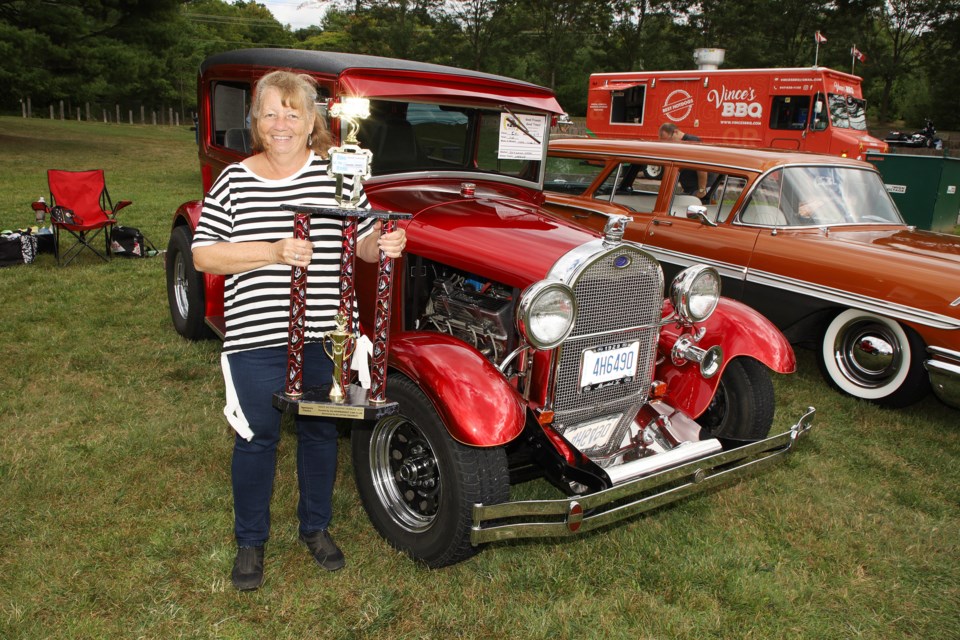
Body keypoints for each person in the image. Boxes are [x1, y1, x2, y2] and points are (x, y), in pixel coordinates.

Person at [191, 70, 407, 592]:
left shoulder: (338, 175)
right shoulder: (235, 179)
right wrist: (271, 251)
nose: (281, 123)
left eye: (293, 112)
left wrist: (386, 245)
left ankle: (315, 528)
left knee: (319, 431)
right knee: (257, 436)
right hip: (256, 335)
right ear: (255, 123)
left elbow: (361, 246)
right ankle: (251, 541)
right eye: (270, 113)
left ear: (313, 121)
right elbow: (203, 254)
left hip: (324, 333)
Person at [658, 123, 709, 200]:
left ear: (676, 132)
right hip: (690, 189)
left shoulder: (692, 142)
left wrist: (702, 190)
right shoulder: (678, 145)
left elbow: (701, 167)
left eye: (669, 139)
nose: (669, 143)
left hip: (700, 189)